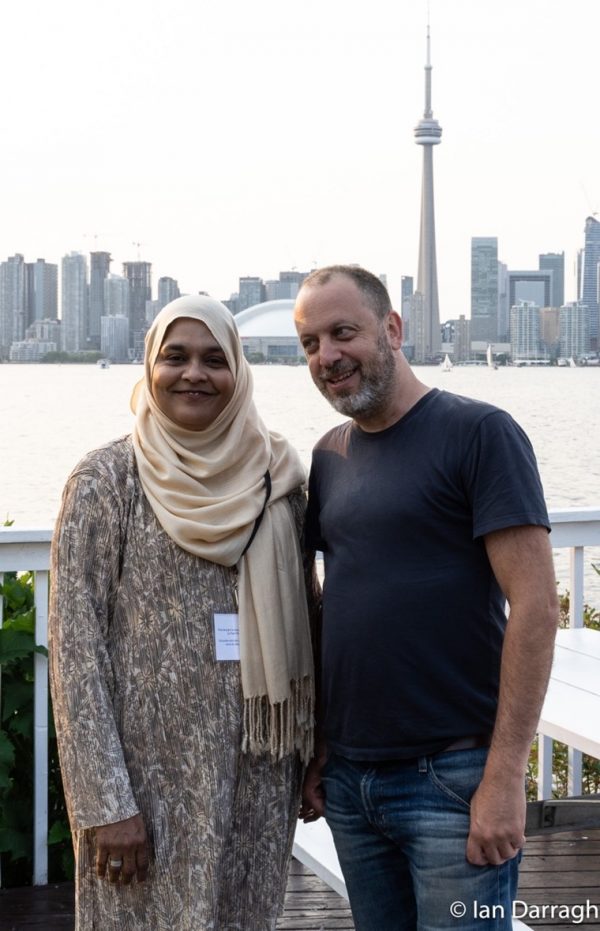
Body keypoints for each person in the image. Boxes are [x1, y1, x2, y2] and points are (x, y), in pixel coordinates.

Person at [293, 265, 559, 931]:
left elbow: (535, 604)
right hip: (353, 782)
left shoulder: (479, 434)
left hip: (454, 777)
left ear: (392, 328)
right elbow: (332, 605)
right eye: (309, 342)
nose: (327, 356)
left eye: (342, 332)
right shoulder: (328, 457)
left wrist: (503, 777)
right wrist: (323, 743)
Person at [49, 295, 317, 931]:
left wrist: (316, 752)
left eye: (214, 359)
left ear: (239, 374)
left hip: (258, 772)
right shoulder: (106, 480)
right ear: (150, 367)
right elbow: (74, 652)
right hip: (145, 784)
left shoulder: (277, 482)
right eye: (176, 357)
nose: (194, 373)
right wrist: (105, 803)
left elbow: (311, 618)